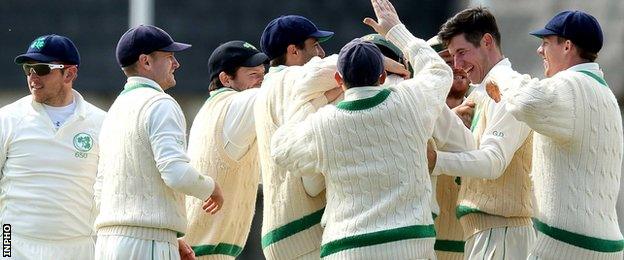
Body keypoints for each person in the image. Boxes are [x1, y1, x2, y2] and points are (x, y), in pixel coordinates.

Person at [269, 0, 472, 257]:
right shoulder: (411, 100)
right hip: (410, 244)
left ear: (339, 80)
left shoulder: (323, 123)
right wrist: (397, 30)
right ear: (382, 76)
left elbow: (281, 150)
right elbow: (437, 71)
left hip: (347, 248)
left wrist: (313, 98)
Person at [485, 10, 624, 259]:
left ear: (567, 46)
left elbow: (527, 101)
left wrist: (499, 70)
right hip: (604, 246)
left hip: (567, 246)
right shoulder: (605, 95)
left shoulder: (570, 86)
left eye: (546, 43)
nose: (540, 51)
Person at [94, 25, 223, 260]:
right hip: (147, 242)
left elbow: (100, 187)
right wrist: (211, 188)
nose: (176, 64)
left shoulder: (114, 111)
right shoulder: (160, 104)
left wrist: (170, 238)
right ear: (146, 62)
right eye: (169, 56)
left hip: (107, 243)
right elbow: (175, 173)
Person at [428, 7, 536, 259]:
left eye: (462, 52)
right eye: (452, 56)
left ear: (487, 41)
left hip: (503, 232)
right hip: (485, 233)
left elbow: (493, 162)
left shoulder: (510, 86)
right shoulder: (479, 93)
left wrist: (437, 161)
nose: (458, 65)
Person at [0, 34, 105, 259]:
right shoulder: (7, 119)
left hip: (77, 247)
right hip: (13, 242)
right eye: (28, 68)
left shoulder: (102, 123)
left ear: (70, 73)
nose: (33, 77)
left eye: (42, 68)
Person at [254, 15, 340, 259]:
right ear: (293, 51)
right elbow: (347, 65)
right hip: (304, 231)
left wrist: (323, 99)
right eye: (314, 46)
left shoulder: (268, 87)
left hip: (279, 230)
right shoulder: (291, 78)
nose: (321, 53)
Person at [183, 40, 268, 259]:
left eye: (263, 73)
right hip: (202, 251)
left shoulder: (214, 109)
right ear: (226, 79)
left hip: (201, 248)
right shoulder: (236, 105)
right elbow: (284, 89)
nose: (262, 80)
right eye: (253, 75)